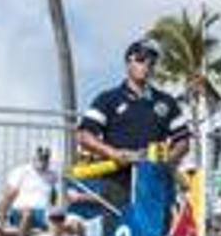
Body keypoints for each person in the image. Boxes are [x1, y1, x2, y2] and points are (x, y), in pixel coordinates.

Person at [77, 39, 191, 206]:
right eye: (140, 60)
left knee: (158, 231)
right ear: (128, 63)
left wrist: (165, 160)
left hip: (155, 184)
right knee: (116, 230)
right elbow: (84, 136)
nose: (147, 65)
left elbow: (183, 141)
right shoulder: (108, 99)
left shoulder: (166, 102)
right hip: (117, 182)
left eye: (151, 62)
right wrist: (113, 153)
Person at [0, 145, 59, 236]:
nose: (43, 161)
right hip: (21, 210)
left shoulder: (52, 175)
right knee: (28, 214)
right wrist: (1, 220)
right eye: (40, 157)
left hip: (43, 212)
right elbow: (8, 196)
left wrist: (54, 208)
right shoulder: (21, 172)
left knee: (57, 220)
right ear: (34, 157)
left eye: (45, 158)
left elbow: (55, 196)